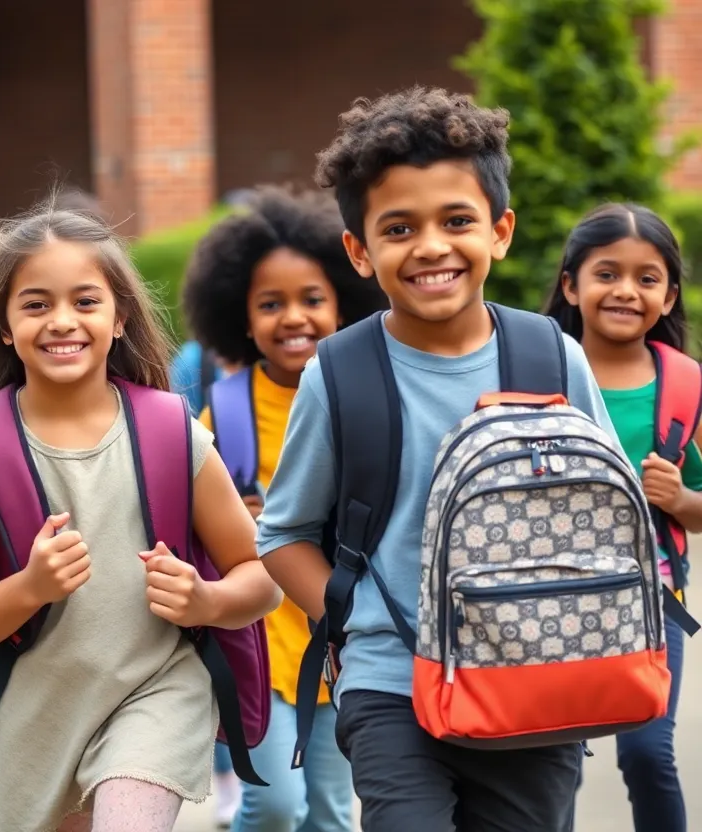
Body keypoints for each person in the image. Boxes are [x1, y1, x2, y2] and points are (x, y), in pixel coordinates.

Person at [255, 87, 616, 831]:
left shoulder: (552, 356)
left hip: (536, 680)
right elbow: (284, 535)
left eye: (457, 221)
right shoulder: (340, 373)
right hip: (391, 686)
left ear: (501, 230)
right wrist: (363, 621)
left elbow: (609, 513)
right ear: (360, 250)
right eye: (398, 227)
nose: (431, 246)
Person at [0, 200, 281, 832]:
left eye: (86, 301)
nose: (62, 320)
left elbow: (259, 571)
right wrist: (28, 588)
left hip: (158, 690)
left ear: (119, 318)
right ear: (3, 327)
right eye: (35, 304)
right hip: (36, 714)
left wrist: (207, 601)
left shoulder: (173, 431)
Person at [184, 185, 388, 831]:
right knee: (272, 805)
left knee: (329, 812)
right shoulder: (229, 409)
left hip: (345, 638)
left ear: (343, 304)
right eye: (271, 304)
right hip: (261, 637)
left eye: (312, 299)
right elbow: (198, 520)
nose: (293, 317)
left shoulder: (366, 392)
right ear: (241, 319)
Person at [544, 203, 698, 832]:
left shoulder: (685, 386)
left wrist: (682, 501)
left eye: (647, 278)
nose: (626, 291)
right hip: (549, 593)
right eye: (606, 273)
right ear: (571, 285)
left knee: (648, 754)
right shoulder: (537, 368)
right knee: (556, 759)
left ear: (668, 297)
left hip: (652, 598)